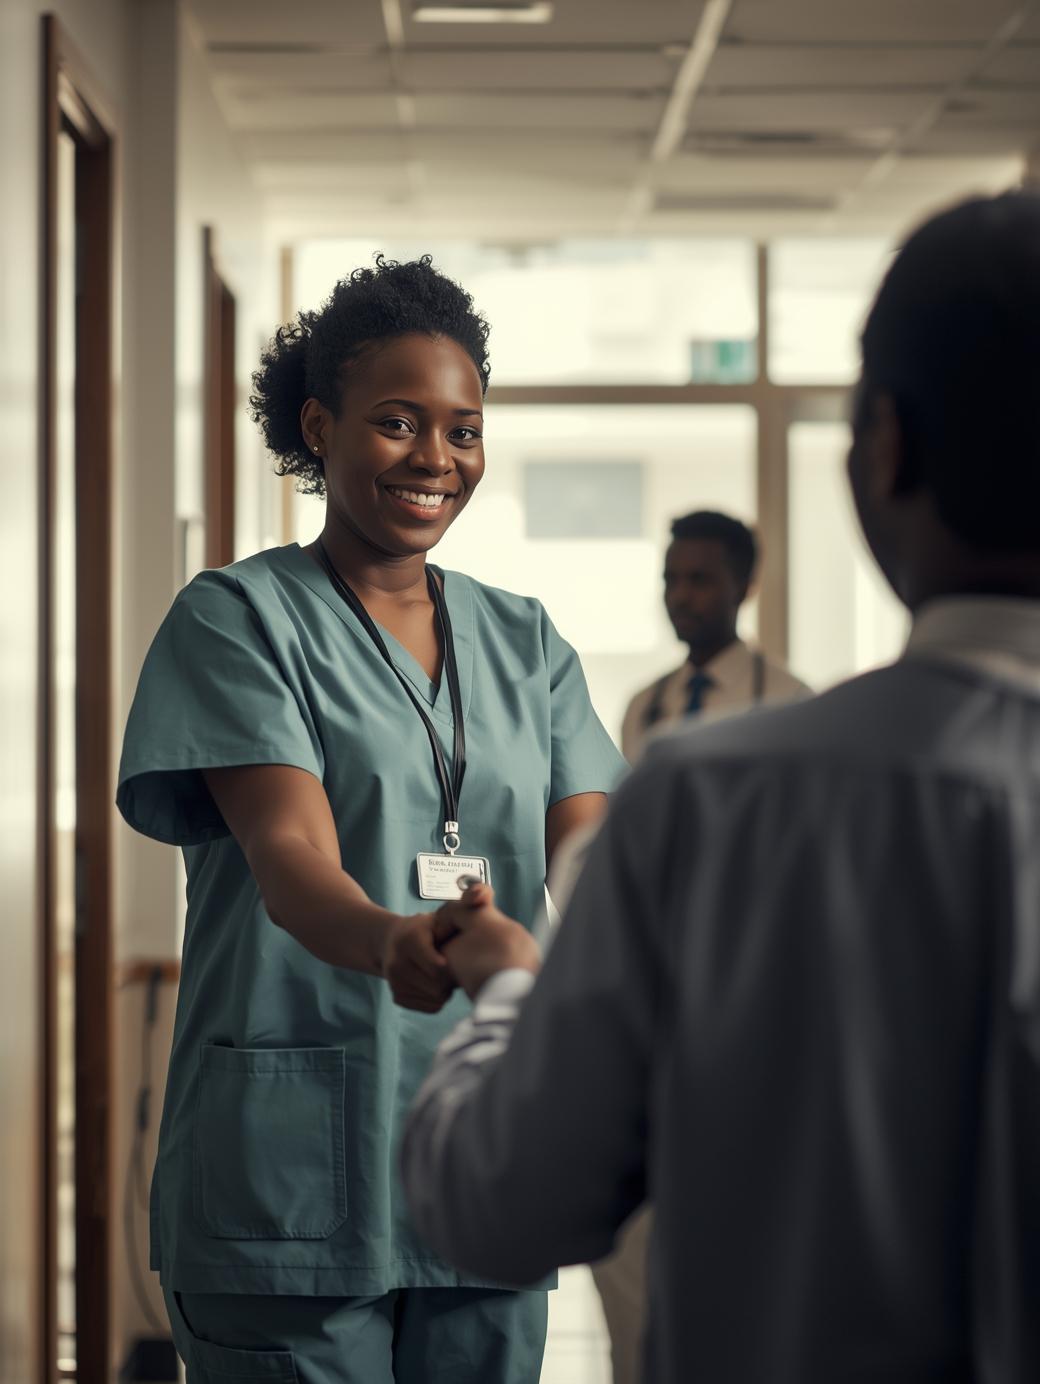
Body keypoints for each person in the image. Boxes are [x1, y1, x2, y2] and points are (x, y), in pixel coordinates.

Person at [402, 191, 1040, 1384]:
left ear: (882, 448)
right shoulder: (659, 732)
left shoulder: (715, 797)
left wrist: (503, 999)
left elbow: (500, 1196)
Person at [116, 255, 625, 1383]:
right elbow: (287, 850)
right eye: (397, 422)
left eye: (463, 429)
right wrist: (387, 937)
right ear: (319, 425)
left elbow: (598, 866)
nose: (435, 459)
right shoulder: (239, 618)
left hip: (484, 1150)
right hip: (286, 1167)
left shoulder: (525, 641)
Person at [621, 509, 810, 763]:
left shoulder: (790, 700)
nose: (680, 597)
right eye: (671, 580)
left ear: (742, 587)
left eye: (699, 580)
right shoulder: (642, 707)